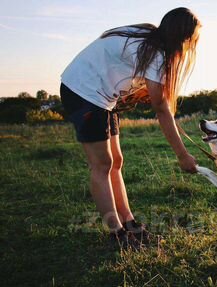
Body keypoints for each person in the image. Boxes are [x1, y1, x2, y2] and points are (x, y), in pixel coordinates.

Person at [60, 7, 201, 250]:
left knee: (116, 161)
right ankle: (117, 235)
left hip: (103, 97)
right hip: (83, 91)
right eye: (191, 41)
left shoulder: (147, 36)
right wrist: (182, 155)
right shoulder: (156, 53)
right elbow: (161, 107)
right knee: (102, 164)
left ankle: (130, 225)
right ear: (182, 38)